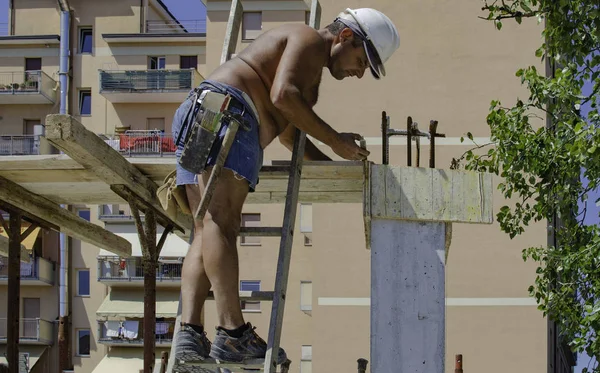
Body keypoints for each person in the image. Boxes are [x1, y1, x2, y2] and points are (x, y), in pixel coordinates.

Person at [171, 7, 400, 370]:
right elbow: (282, 97)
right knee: (222, 225)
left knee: (206, 228)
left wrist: (328, 163)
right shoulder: (309, 39)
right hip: (230, 114)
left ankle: (190, 331)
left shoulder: (307, 62)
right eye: (362, 60)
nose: (359, 73)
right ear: (345, 37)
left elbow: (289, 130)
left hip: (205, 114)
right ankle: (232, 333)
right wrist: (336, 140)